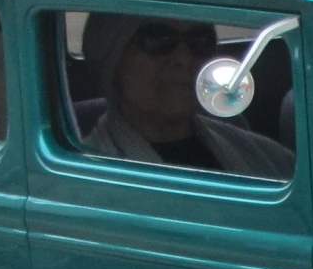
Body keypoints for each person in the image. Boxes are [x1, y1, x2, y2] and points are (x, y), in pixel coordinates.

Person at [80, 14, 294, 180]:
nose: (184, 58)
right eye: (158, 39)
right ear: (113, 58)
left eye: (200, 40)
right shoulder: (81, 174)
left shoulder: (266, 158)